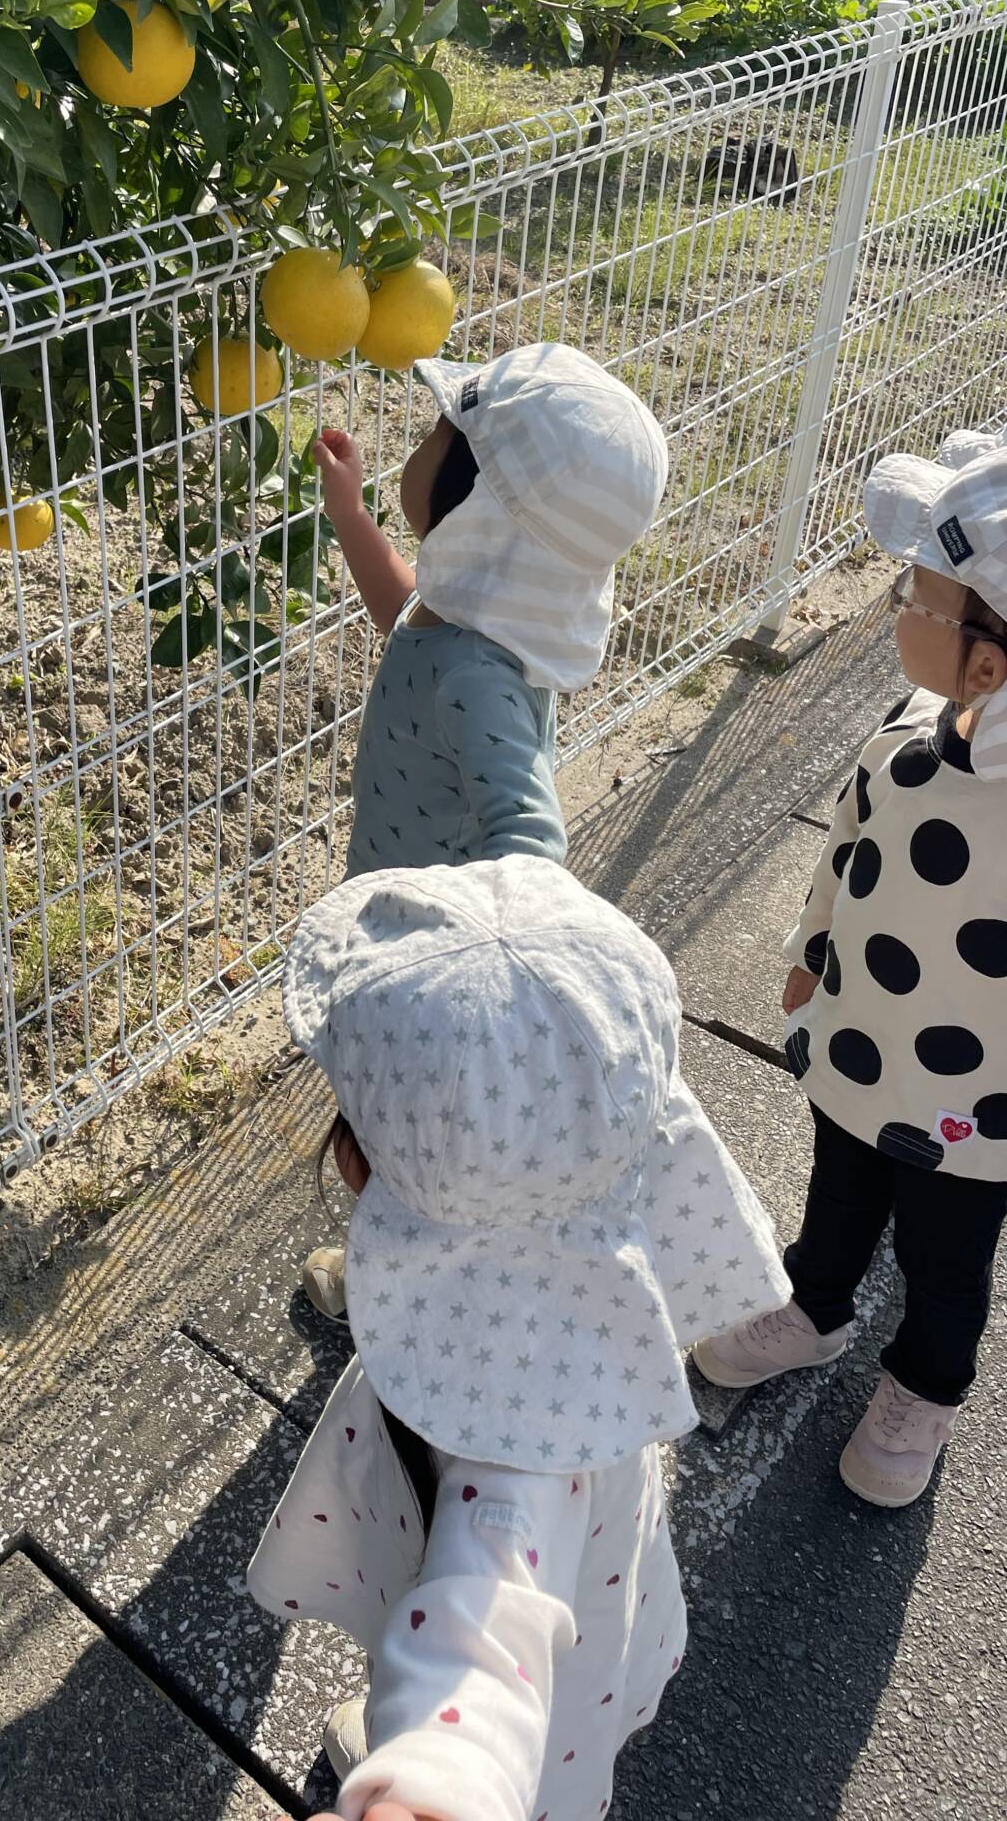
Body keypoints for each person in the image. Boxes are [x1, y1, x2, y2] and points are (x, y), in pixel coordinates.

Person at [250, 857, 790, 1821]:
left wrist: (438, 1779)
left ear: (357, 1161)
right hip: (589, 1594)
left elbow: (487, 1616)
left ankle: (397, 1745)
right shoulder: (601, 1225)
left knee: (520, 1751)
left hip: (509, 1745)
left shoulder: (512, 1433)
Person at [300, 344, 670, 1321]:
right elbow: (409, 619)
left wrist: (521, 952)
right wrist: (349, 516)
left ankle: (403, 1284)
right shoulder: (469, 631)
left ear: (476, 505)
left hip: (435, 968)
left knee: (394, 1130)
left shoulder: (475, 674)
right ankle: (424, 1266)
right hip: (415, 937)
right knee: (408, 1134)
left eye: (435, 435)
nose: (416, 449)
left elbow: (529, 823)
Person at [694, 431, 1007, 1509]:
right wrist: (807, 952)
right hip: (862, 1042)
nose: (896, 609)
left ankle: (925, 1384)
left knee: (946, 1257)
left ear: (985, 662)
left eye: (916, 597)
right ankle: (815, 1304)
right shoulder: (908, 727)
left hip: (979, 1105)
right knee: (840, 1186)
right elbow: (846, 844)